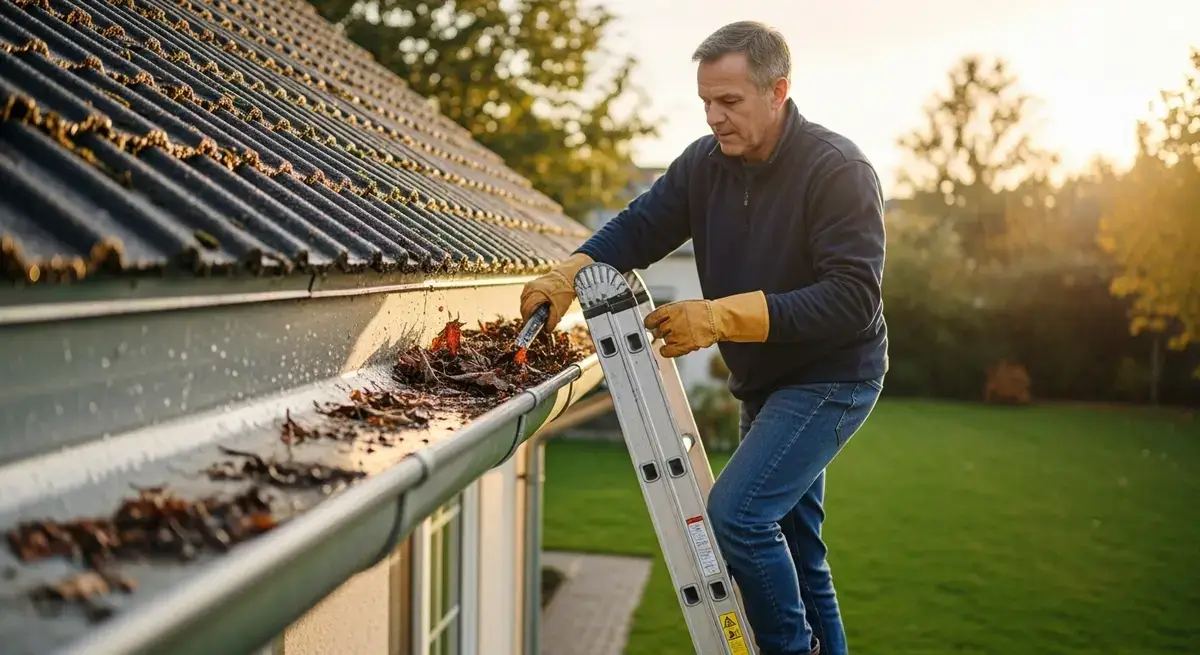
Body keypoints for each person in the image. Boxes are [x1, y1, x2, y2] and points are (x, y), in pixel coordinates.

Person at [519, 20, 887, 655]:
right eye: (706, 102)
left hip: (833, 377)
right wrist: (566, 275)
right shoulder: (704, 166)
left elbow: (852, 300)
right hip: (765, 381)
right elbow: (634, 231)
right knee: (798, 549)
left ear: (779, 91)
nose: (714, 117)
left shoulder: (838, 170)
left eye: (730, 102)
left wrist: (717, 318)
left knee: (738, 518)